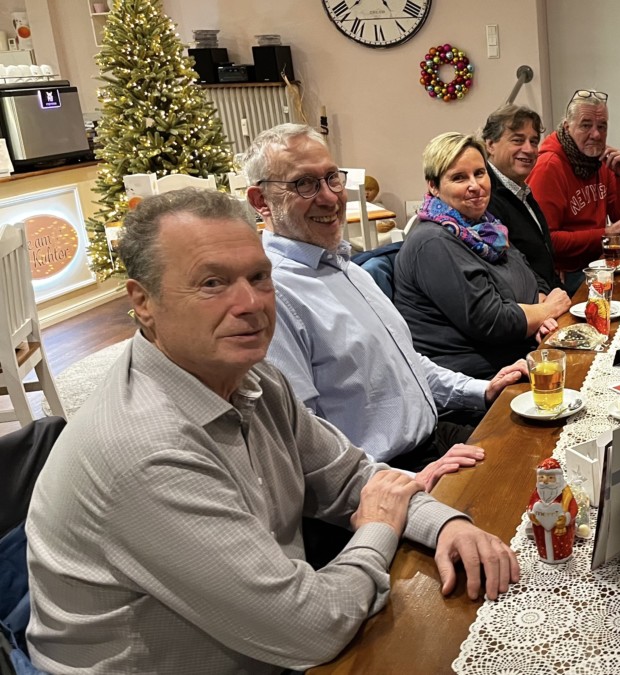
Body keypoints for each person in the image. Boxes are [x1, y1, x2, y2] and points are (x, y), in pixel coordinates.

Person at [24, 188, 519, 674]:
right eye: (212, 283)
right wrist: (378, 527)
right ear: (143, 302)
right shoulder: (143, 448)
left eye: (259, 277)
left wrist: (446, 524)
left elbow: (351, 477)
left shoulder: (253, 377)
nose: (251, 303)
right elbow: (312, 629)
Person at [244, 124, 522, 483]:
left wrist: (481, 390)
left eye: (332, 178)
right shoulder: (274, 295)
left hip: (434, 440)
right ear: (260, 201)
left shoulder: (346, 268)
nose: (330, 198)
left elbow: (407, 364)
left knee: (544, 463)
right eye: (304, 184)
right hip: (385, 479)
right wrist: (407, 483)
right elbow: (303, 446)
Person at [394, 132, 571, 380]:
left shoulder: (487, 228)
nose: (475, 186)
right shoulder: (433, 242)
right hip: (476, 384)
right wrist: (549, 309)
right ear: (433, 186)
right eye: (459, 177)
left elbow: (532, 278)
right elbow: (492, 321)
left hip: (519, 356)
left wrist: (538, 315)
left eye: (479, 173)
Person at [526, 88, 620, 294]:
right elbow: (546, 240)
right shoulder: (548, 167)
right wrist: (604, 234)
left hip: (598, 260)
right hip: (567, 274)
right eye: (586, 125)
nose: (596, 134)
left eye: (602, 126)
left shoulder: (601, 160)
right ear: (568, 127)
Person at [482, 104, 563, 291]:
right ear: (490, 144)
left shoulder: (521, 189)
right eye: (518, 140)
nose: (529, 149)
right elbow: (506, 271)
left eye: (534, 142)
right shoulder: (485, 198)